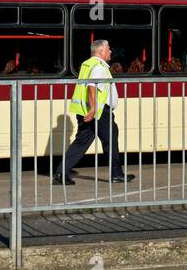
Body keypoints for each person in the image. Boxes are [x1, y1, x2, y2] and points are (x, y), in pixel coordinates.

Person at [53, 40, 135, 185]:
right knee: (110, 139)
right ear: (101, 51)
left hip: (87, 110)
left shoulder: (87, 64)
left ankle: (61, 172)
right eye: (109, 49)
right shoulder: (99, 67)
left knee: (82, 142)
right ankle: (116, 174)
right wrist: (93, 110)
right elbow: (92, 87)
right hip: (99, 111)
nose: (111, 52)